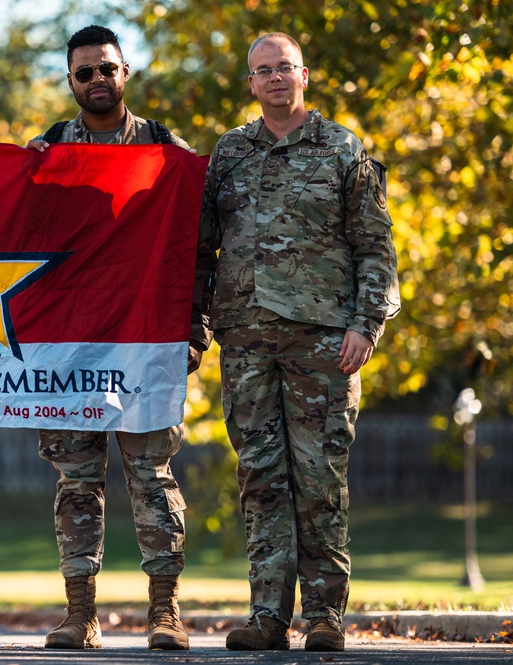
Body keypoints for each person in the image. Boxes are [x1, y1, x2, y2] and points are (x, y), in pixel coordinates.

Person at [194, 32, 400, 652]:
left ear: (303, 74)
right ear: (251, 84)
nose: (276, 78)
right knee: (261, 477)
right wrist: (199, 323)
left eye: (285, 67)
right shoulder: (229, 153)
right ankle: (266, 617)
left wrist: (367, 324)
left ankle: (326, 617)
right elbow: (200, 248)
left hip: (324, 344)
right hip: (247, 340)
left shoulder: (342, 148)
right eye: (264, 71)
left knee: (320, 477)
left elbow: (375, 245)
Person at [25, 25, 207, 651]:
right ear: (70, 81)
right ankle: (81, 614)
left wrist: (194, 331)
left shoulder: (165, 150)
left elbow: (196, 248)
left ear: (126, 72)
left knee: (152, 477)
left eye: (107, 69)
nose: (96, 81)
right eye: (84, 73)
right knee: (76, 484)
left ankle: (165, 612)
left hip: (145, 341)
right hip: (69, 348)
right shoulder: (46, 152)